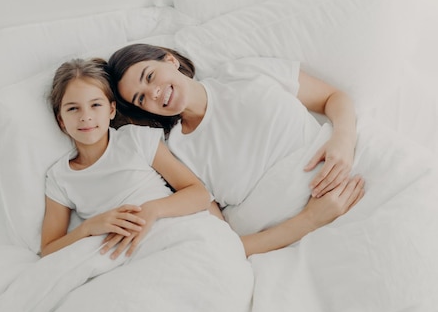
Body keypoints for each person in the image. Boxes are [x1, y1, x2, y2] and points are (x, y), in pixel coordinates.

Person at [106, 44, 366, 257]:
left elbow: (334, 98)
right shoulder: (175, 152)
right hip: (294, 245)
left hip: (357, 174)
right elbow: (227, 245)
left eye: (149, 76)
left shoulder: (242, 72)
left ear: (170, 60)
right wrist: (310, 220)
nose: (153, 93)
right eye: (141, 99)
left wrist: (343, 141)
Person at [41, 57, 212, 259]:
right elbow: (48, 250)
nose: (86, 116)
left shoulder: (135, 139)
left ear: (111, 110)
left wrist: (153, 209)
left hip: (171, 233)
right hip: (119, 256)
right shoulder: (60, 177)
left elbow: (200, 194)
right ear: (61, 120)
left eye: (95, 105)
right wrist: (87, 228)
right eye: (73, 108)